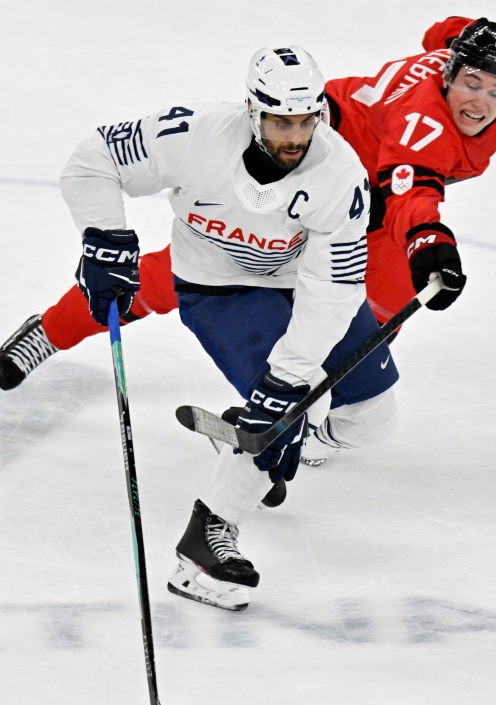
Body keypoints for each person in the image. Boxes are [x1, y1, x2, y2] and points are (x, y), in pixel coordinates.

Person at [0, 16, 496, 461]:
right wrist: (428, 240)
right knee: (200, 268)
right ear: (450, 75)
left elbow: (442, 32)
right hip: (317, 168)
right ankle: (53, 330)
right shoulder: (422, 125)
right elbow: (414, 189)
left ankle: (319, 421)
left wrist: (461, 37)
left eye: (495, 87)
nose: (480, 100)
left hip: (370, 201)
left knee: (375, 308)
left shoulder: (475, 78)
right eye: (470, 82)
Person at [48, 44, 409, 611]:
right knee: (283, 408)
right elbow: (94, 157)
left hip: (302, 285)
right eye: (280, 121)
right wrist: (104, 239)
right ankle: (202, 552)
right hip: (220, 290)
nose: (295, 136)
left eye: (306, 121)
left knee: (371, 417)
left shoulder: (340, 175)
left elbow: (333, 289)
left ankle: (285, 435)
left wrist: (290, 376)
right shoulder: (193, 136)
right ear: (251, 110)